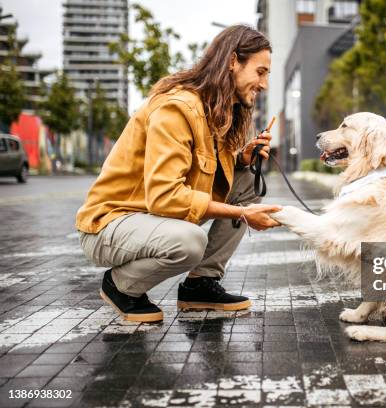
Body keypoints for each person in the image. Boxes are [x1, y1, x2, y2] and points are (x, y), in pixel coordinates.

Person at [75, 25, 282, 323]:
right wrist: (243, 214)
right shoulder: (177, 109)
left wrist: (241, 160)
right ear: (233, 61)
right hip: (110, 224)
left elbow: (197, 171)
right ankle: (121, 286)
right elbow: (165, 196)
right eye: (260, 72)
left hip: (152, 220)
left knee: (246, 178)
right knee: (190, 241)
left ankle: (200, 284)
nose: (263, 84)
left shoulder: (218, 112)